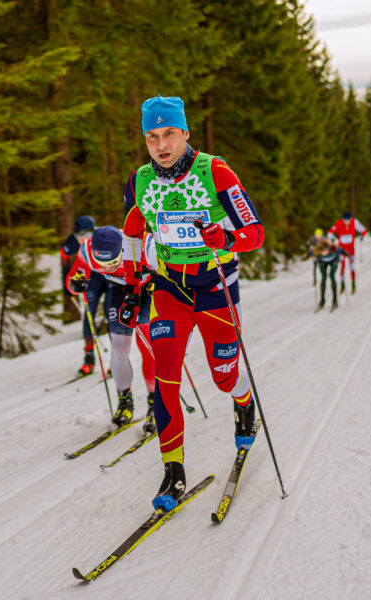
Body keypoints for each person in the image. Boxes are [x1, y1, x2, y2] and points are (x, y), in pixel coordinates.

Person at [118, 95, 265, 511]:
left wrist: (227, 238)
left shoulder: (214, 170)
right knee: (167, 376)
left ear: (185, 132)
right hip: (170, 289)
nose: (161, 145)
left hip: (217, 286)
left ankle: (243, 400)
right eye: (151, 136)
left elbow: (255, 232)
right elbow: (132, 235)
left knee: (223, 375)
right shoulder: (139, 181)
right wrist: (132, 288)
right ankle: (173, 472)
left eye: (168, 133)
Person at [65, 226, 158, 431]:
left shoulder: (145, 245)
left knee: (148, 345)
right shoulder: (87, 251)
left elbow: (171, 270)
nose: (107, 268)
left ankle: (155, 403)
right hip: (120, 289)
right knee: (119, 346)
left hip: (147, 290)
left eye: (113, 263)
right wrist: (75, 284)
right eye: (102, 264)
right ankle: (124, 401)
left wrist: (160, 282)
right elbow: (73, 278)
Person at [59, 215, 95, 323]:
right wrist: (67, 283)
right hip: (85, 268)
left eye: (87, 235)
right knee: (90, 306)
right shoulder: (72, 241)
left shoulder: (101, 238)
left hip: (101, 269)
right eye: (78, 235)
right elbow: (64, 256)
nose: (83, 239)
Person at [327, 210, 366, 294]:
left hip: (351, 250)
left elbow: (363, 230)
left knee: (351, 266)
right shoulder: (338, 223)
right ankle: (342, 284)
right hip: (342, 250)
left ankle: (353, 284)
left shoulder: (355, 222)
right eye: (345, 220)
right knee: (342, 266)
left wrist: (362, 235)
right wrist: (333, 239)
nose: (346, 222)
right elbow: (330, 233)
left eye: (348, 220)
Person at [314, 236, 350, 310]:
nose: (324, 252)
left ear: (328, 248)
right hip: (323, 262)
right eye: (322, 251)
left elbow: (342, 251)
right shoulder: (317, 251)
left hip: (333, 260)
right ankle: (322, 301)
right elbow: (310, 255)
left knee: (332, 276)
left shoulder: (333, 248)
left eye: (325, 250)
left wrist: (347, 254)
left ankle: (335, 301)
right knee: (323, 278)